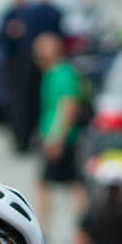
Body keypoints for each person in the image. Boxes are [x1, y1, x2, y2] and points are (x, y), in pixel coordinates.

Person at [3, 0, 65, 156]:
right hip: (21, 66)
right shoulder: (21, 13)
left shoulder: (24, 14)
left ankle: (28, 140)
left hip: (21, 66)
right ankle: (28, 140)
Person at [35, 31, 85, 220]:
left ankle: (79, 228)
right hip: (53, 136)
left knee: (64, 184)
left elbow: (69, 106)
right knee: (65, 183)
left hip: (60, 138)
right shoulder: (51, 73)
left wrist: (57, 138)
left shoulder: (63, 74)